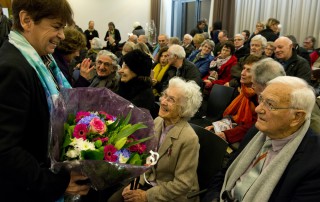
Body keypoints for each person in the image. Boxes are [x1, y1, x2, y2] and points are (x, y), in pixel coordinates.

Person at [0, 0, 91, 201]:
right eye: (57, 27)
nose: (62, 35)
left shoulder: (40, 61)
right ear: (26, 21)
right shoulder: (12, 68)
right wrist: (56, 184)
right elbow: (6, 149)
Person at [218, 76, 320, 201]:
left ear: (296, 117)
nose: (257, 109)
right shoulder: (257, 131)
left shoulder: (314, 162)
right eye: (261, 99)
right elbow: (225, 172)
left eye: (270, 105)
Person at [108, 77, 202, 202]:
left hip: (171, 195)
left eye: (171, 100)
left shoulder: (189, 139)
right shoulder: (158, 122)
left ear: (183, 109)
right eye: (165, 95)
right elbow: (147, 159)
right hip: (149, 182)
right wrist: (135, 184)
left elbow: (183, 184)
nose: (162, 101)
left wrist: (147, 196)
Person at [204, 55, 261, 145]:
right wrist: (219, 126)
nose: (243, 73)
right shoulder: (243, 91)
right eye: (244, 69)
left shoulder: (259, 97)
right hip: (234, 129)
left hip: (246, 139)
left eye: (249, 70)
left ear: (259, 75)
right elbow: (233, 116)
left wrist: (226, 134)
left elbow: (254, 126)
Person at [117, 49, 157, 118]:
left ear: (137, 71)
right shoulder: (124, 87)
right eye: (122, 66)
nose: (120, 71)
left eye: (126, 67)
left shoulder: (145, 96)